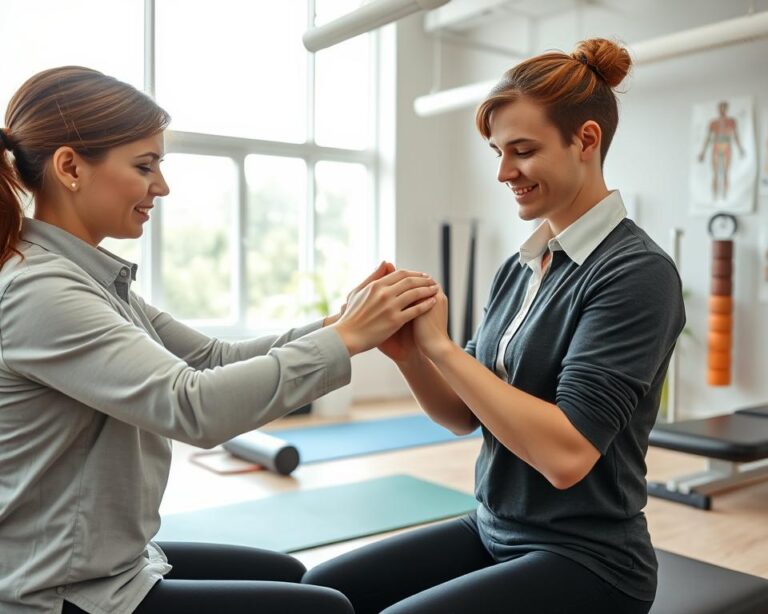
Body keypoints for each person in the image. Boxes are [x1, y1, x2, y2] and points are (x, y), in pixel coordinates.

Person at [0, 66, 439, 614]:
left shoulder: (85, 277)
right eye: (145, 165)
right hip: (58, 594)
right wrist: (349, 338)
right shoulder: (39, 290)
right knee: (324, 610)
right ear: (70, 167)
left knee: (291, 576)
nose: (161, 186)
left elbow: (213, 358)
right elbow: (192, 405)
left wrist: (343, 324)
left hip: (114, 566)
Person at [303, 38, 686, 614]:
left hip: (590, 559)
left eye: (523, 150)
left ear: (586, 140)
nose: (505, 171)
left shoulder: (636, 273)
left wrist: (441, 346)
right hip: (492, 528)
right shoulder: (523, 265)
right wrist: (410, 352)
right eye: (498, 152)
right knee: (322, 595)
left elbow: (566, 457)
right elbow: (462, 415)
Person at [697, 100, 745, 200]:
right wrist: (703, 152)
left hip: (727, 146)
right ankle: (714, 195)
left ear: (726, 109)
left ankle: (725, 195)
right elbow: (708, 137)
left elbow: (736, 135)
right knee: (715, 172)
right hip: (716, 146)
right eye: (720, 108)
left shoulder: (731, 121)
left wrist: (740, 149)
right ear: (718, 109)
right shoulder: (713, 123)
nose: (722, 110)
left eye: (724, 108)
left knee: (726, 172)